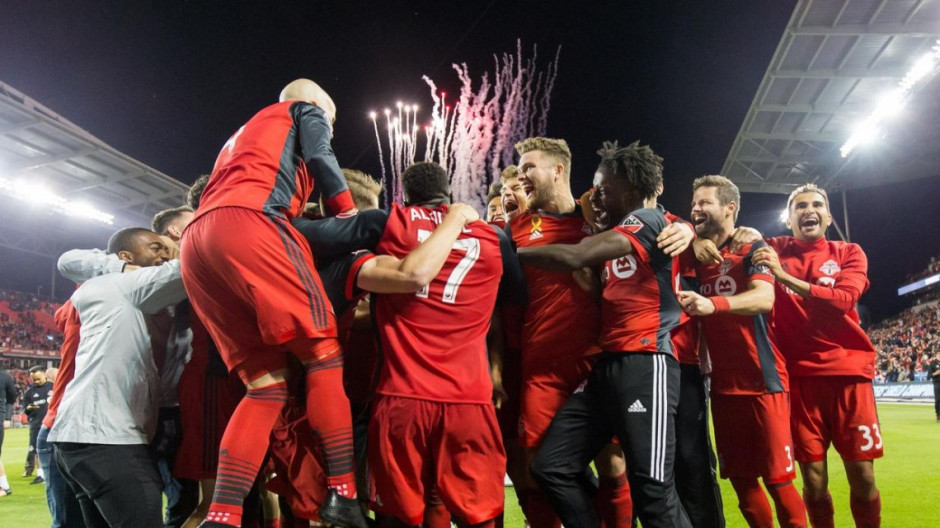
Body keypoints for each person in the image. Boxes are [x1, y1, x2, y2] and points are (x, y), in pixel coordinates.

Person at [180, 78, 367, 528]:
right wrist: (347, 213)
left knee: (265, 387)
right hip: (252, 222)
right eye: (333, 121)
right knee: (323, 355)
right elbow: (321, 157)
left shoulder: (241, 137)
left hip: (197, 243)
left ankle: (222, 515)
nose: (331, 129)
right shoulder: (303, 110)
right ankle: (344, 496)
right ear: (316, 104)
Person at [520, 140, 693, 528]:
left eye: (603, 190)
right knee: (552, 466)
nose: (594, 197)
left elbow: (577, 254)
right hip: (608, 365)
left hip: (646, 363)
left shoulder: (646, 219)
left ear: (629, 191)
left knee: (653, 493)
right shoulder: (618, 228)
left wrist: (511, 250)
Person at [367, 161, 526, 527]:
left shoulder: (388, 223)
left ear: (406, 196)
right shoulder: (493, 237)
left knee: (399, 515)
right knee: (481, 513)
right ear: (449, 194)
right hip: (469, 397)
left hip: (402, 395)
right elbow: (516, 297)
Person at [746, 184, 882, 528]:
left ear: (828, 216)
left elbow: (844, 299)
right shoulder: (774, 248)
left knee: (863, 476)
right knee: (814, 481)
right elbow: (737, 238)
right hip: (799, 380)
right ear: (789, 219)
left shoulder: (848, 252)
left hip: (849, 374)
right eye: (801, 206)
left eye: (817, 205)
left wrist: (783, 276)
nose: (810, 210)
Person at [508, 137, 627, 528]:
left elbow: (653, 220)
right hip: (542, 367)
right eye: (519, 169)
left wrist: (691, 233)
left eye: (529, 167)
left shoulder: (597, 216)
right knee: (536, 471)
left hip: (595, 364)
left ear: (558, 170)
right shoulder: (516, 227)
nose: (521, 177)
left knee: (612, 464)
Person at [677, 176, 806, 528]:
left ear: (729, 207)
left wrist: (714, 304)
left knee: (779, 482)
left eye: (705, 202)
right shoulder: (694, 254)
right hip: (722, 388)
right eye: (694, 203)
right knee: (742, 482)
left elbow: (764, 298)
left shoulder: (752, 247)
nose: (696, 208)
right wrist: (693, 237)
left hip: (763, 381)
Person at [50, 228, 187, 528]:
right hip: (106, 439)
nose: (165, 255)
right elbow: (193, 265)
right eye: (156, 248)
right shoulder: (124, 284)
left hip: (85, 437)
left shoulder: (114, 287)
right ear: (126, 257)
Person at [151, 205, 202, 527]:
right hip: (169, 407)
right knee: (181, 499)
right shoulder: (155, 275)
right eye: (192, 220)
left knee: (185, 497)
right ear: (174, 230)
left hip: (178, 404)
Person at [23, 365, 54, 484]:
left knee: (55, 448)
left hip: (53, 424)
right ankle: (40, 475)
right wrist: (31, 407)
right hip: (36, 425)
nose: (36, 381)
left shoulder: (54, 387)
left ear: (44, 375)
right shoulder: (29, 393)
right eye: (33, 379)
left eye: (38, 378)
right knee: (37, 449)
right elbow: (26, 411)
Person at [0, 366, 15, 496]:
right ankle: (4, 485)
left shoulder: (4, 377)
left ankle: (3, 487)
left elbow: (12, 398)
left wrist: (7, 417)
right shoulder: (5, 377)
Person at [930, 352, 940, 422]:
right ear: (936, 356)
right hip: (937, 383)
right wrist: (936, 373)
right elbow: (929, 375)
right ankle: (938, 414)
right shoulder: (933, 364)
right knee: (938, 400)